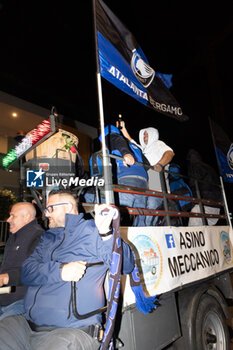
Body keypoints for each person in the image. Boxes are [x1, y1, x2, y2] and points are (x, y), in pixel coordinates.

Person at [0, 189, 134, 350]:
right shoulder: (47, 238)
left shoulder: (92, 231)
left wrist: (106, 233)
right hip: (28, 325)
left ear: (69, 208)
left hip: (70, 330)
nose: (46, 214)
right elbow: (27, 272)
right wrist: (60, 272)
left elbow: (126, 265)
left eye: (51, 209)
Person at [120, 122, 174, 225]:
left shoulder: (158, 144)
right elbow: (131, 141)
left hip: (157, 189)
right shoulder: (143, 150)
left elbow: (170, 153)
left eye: (147, 134)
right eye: (143, 134)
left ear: (153, 135)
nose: (145, 136)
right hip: (145, 188)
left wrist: (160, 165)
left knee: (150, 215)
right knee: (141, 215)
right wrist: (123, 130)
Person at [0, 202, 43, 320]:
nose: (8, 220)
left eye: (13, 216)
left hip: (22, 302)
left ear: (26, 217)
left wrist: (5, 277)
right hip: (4, 300)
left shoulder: (38, 237)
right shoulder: (13, 237)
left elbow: (35, 271)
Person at [99, 124, 149, 226]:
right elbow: (147, 165)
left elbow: (117, 140)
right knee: (140, 213)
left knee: (122, 213)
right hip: (143, 181)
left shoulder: (112, 137)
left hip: (127, 176)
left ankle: (119, 238)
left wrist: (126, 154)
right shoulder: (134, 145)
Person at [186, 149, 222, 226]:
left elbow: (194, 186)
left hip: (203, 205)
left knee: (194, 230)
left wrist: (193, 203)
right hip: (217, 206)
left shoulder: (194, 167)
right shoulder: (209, 167)